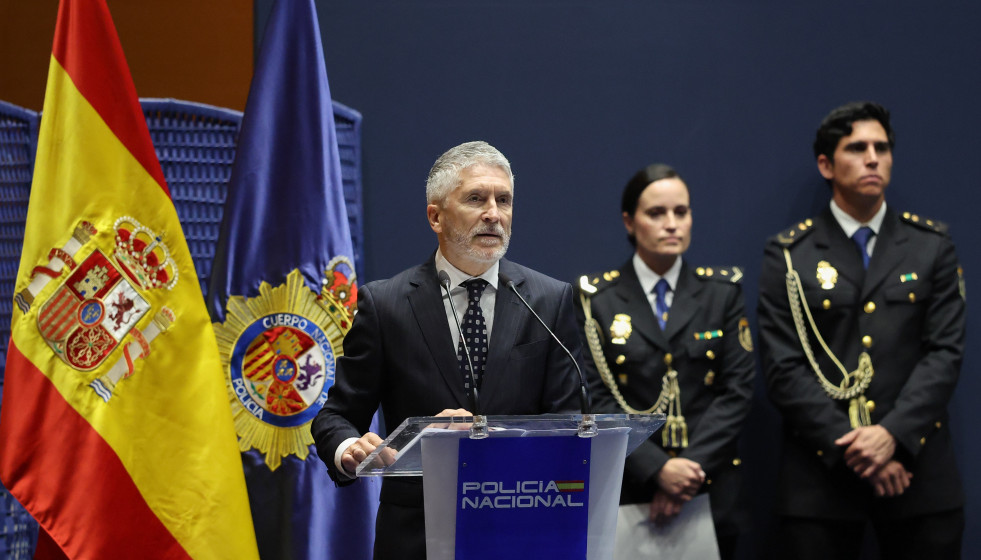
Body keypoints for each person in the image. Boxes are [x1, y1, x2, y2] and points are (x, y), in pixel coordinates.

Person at [311, 140, 583, 560]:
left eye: (504, 200)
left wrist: (486, 436)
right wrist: (351, 450)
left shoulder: (550, 300)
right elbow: (336, 416)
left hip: (520, 531)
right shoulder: (385, 305)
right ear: (435, 217)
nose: (494, 213)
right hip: (415, 536)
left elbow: (567, 423)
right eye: (477, 198)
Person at [757, 101, 966, 559]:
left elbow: (944, 353)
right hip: (821, 481)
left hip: (918, 471)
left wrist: (891, 436)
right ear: (826, 164)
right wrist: (858, 450)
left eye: (882, 147)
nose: (873, 158)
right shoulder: (790, 254)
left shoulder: (931, 246)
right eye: (858, 148)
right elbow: (783, 368)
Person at [573, 164, 755, 559]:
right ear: (629, 221)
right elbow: (595, 399)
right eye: (656, 213)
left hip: (710, 485)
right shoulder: (595, 300)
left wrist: (687, 471)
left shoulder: (721, 292)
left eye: (681, 212)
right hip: (630, 487)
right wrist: (658, 470)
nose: (672, 224)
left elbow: (736, 391)